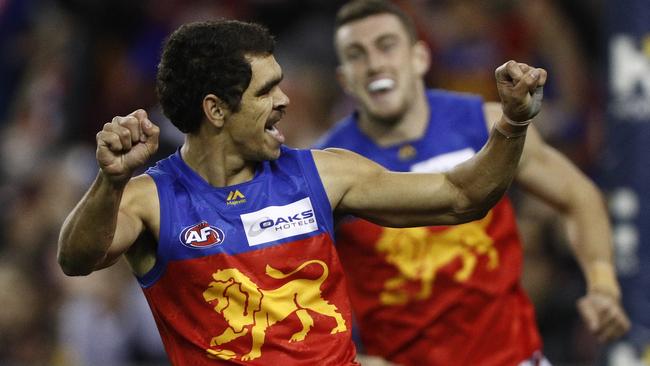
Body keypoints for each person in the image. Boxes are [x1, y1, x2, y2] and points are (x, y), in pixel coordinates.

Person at [57, 19, 546, 365]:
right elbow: (78, 258)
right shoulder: (151, 200)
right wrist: (111, 180)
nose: (285, 101)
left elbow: (462, 196)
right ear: (216, 110)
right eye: (266, 91)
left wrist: (513, 122)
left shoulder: (324, 175)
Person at [314, 1, 631, 365]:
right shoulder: (327, 169)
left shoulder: (486, 125)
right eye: (356, 54)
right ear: (344, 79)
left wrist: (603, 285)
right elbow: (303, 292)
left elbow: (579, 194)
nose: (374, 64)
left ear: (420, 57)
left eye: (386, 45)